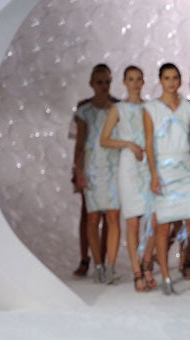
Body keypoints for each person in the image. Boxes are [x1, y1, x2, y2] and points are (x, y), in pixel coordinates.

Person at [144, 63, 190, 295]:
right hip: (162, 171)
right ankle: (166, 277)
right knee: (163, 227)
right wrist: (153, 174)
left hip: (185, 169)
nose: (171, 82)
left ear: (180, 81)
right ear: (160, 80)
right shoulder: (150, 109)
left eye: (175, 78)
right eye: (167, 78)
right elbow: (149, 143)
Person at [99, 65, 156, 292]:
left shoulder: (150, 107)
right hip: (129, 165)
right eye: (131, 79)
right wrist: (128, 144)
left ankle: (147, 262)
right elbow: (104, 139)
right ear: (124, 82)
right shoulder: (118, 109)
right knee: (133, 221)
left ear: (143, 81)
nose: (135, 83)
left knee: (154, 218)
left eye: (138, 79)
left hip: (148, 164)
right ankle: (137, 272)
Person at [74, 63, 122, 285]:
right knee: (92, 217)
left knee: (112, 216)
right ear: (91, 84)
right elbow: (80, 143)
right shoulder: (84, 110)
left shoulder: (118, 108)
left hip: (113, 167)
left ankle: (109, 265)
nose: (104, 86)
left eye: (107, 82)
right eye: (99, 82)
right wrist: (78, 170)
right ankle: (97, 265)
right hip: (92, 167)